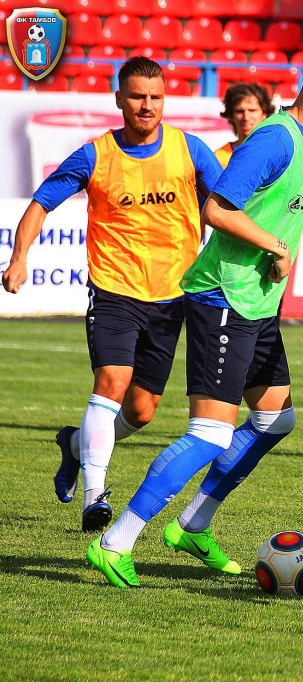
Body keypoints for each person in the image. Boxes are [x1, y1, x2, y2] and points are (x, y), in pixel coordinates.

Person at [84, 47, 303, 588]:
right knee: (211, 434)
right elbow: (217, 208)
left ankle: (194, 523)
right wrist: (275, 246)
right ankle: (116, 540)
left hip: (256, 305)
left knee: (274, 419)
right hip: (224, 298)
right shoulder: (272, 136)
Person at [1, 57, 221, 532]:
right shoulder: (95, 155)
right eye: (138, 96)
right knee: (112, 381)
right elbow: (41, 203)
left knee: (141, 411)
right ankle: (96, 495)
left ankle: (77, 444)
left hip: (172, 297)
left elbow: (225, 207)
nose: (147, 105)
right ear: (119, 98)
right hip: (114, 288)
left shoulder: (191, 150)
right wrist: (20, 257)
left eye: (156, 97)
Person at [217, 82, 303, 244]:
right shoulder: (218, 157)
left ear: (264, 113)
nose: (246, 117)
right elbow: (215, 209)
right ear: (231, 116)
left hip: (274, 246)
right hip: (230, 247)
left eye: (252, 110)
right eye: (240, 111)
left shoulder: (281, 151)